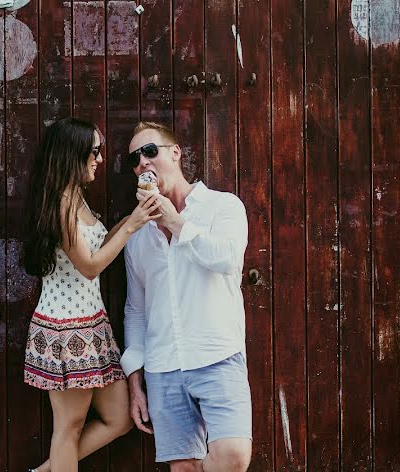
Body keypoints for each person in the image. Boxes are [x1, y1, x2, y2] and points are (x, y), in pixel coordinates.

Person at [22, 117, 162, 472]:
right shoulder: (60, 205)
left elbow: (100, 242)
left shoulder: (76, 197)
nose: (100, 159)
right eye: (95, 151)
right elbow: (89, 265)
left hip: (91, 327)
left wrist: (138, 215)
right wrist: (133, 224)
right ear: (73, 154)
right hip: (66, 330)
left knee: (119, 417)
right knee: (68, 428)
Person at [121, 121, 253, 472]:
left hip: (217, 355)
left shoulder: (222, 207)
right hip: (163, 367)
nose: (143, 163)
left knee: (233, 457)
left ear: (175, 153)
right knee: (182, 469)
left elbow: (227, 259)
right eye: (135, 159)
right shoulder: (136, 238)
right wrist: (135, 381)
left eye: (150, 151)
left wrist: (176, 222)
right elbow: (135, 311)